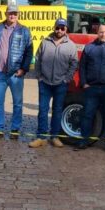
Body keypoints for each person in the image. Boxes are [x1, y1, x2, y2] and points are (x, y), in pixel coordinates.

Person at [0, 0, 33, 141]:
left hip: (15, 74)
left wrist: (23, 69)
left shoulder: (24, 31)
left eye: (15, 13)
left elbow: (29, 51)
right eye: (10, 13)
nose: (12, 16)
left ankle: (15, 129)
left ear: (18, 15)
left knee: (17, 103)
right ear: (6, 14)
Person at [74, 24, 105, 153]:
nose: (103, 34)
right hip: (92, 88)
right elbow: (82, 66)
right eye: (101, 32)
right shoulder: (89, 48)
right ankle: (83, 141)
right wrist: (84, 83)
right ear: (97, 33)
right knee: (87, 115)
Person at [31, 17, 78, 148]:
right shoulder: (45, 42)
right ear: (54, 28)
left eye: (62, 28)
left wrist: (66, 79)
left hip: (60, 84)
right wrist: (39, 76)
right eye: (57, 27)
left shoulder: (71, 45)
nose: (59, 30)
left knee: (57, 111)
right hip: (44, 82)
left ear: (66, 29)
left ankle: (54, 136)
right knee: (42, 110)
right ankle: (41, 137)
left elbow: (74, 64)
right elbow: (38, 58)